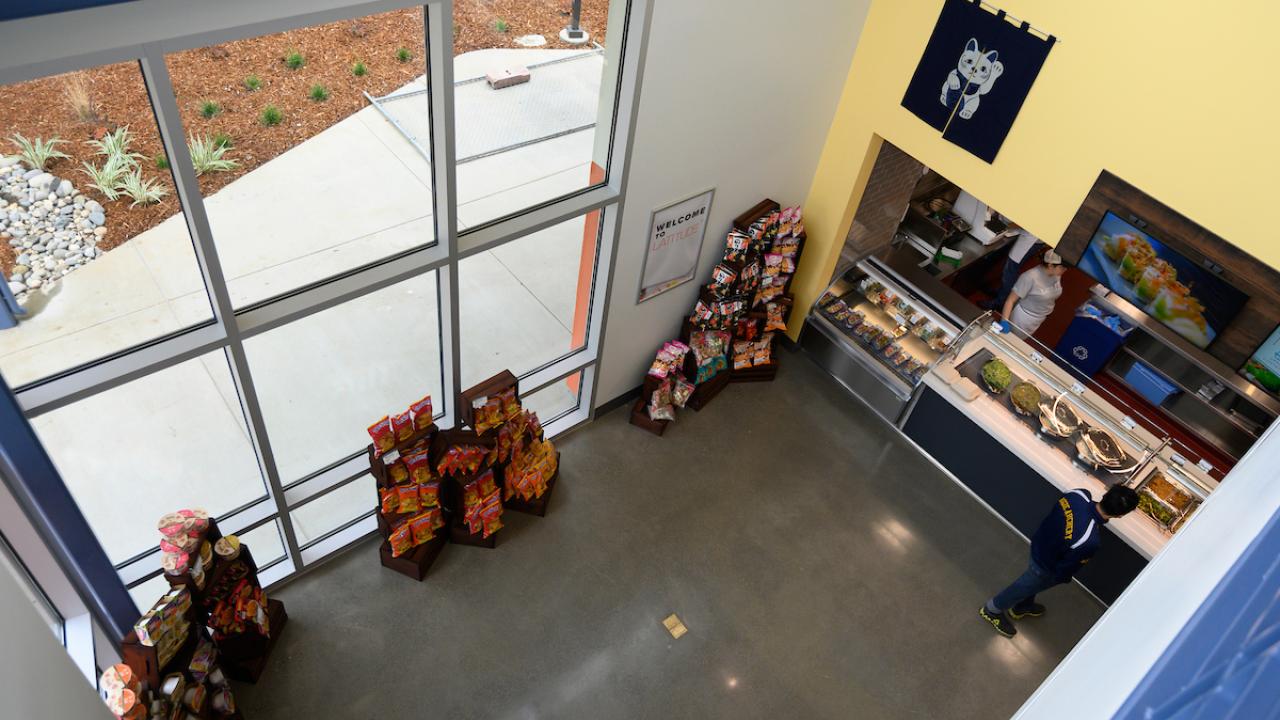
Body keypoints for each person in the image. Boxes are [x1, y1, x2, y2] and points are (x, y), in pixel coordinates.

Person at [979, 485, 1139, 637]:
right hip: (1046, 565)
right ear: (1119, 515)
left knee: (1031, 585)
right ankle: (992, 610)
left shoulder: (1079, 495)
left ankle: (1023, 606)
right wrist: (1062, 579)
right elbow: (1066, 568)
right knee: (1024, 586)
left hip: (1040, 541)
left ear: (1105, 495)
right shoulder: (1090, 540)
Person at [1000, 248, 1066, 335]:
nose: (1065, 270)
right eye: (1062, 267)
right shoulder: (1029, 277)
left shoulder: (1056, 274)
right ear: (1050, 265)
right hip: (1023, 318)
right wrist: (1004, 321)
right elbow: (1010, 300)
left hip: (1039, 318)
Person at [986, 224, 1044, 310]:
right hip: (1034, 239)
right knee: (1012, 269)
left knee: (1010, 271)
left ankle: (999, 302)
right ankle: (1001, 292)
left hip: (1030, 240)